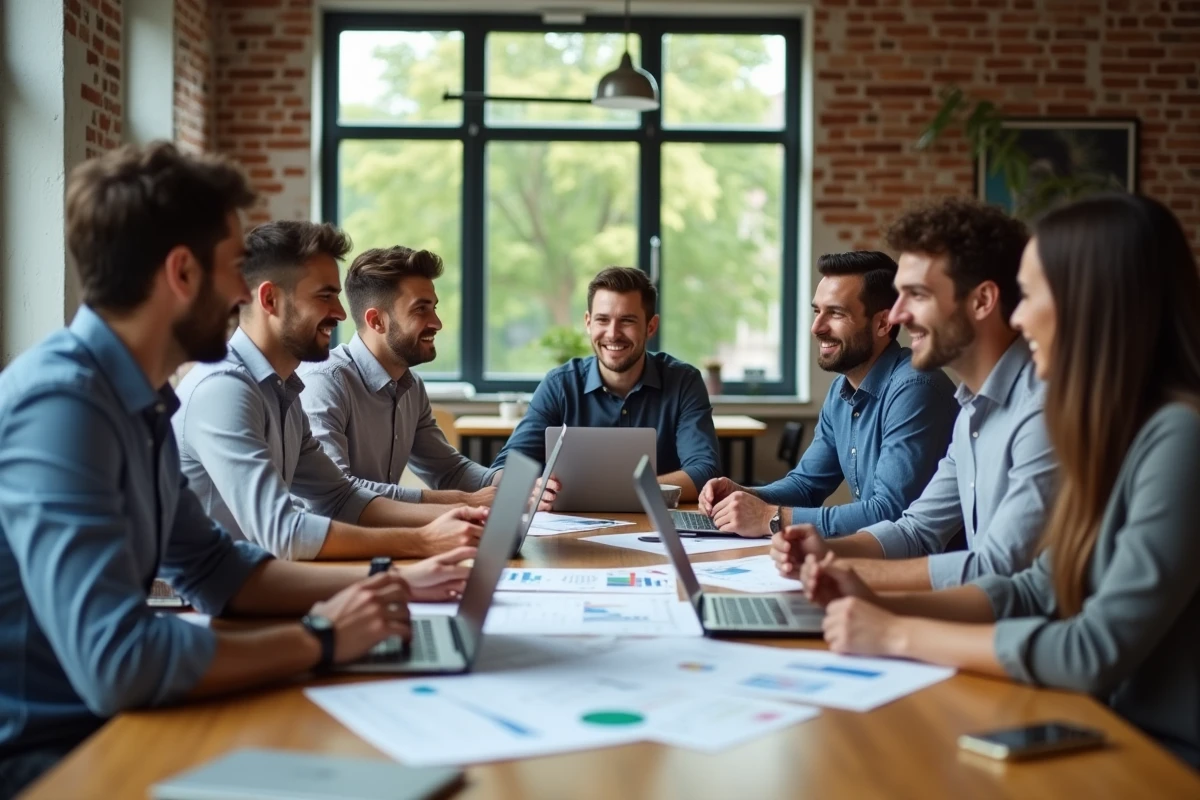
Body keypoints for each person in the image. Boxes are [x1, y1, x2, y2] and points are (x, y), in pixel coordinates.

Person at [0, 143, 471, 797]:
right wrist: (321, 639)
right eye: (232, 271)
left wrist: (386, 588)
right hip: (56, 757)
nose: (240, 293)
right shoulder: (64, 405)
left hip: (123, 721)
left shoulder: (141, 396)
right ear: (182, 274)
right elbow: (119, 661)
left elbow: (213, 567)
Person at [796, 194, 1200, 769]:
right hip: (1094, 725)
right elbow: (1036, 589)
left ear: (1097, 303)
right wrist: (875, 598)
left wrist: (896, 633)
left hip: (1159, 757)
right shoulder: (1114, 431)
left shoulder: (1179, 438)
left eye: (1032, 295)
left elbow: (1092, 650)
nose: (1017, 316)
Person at [772, 198, 1057, 590]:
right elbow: (917, 530)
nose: (898, 316)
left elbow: (998, 571)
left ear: (982, 301)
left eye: (917, 295)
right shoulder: (971, 407)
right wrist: (824, 551)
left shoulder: (1043, 410)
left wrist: (850, 577)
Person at [173, 221, 486, 561]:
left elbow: (339, 498)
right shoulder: (224, 389)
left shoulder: (284, 389)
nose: (339, 313)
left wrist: (466, 516)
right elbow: (285, 534)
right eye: (325, 296)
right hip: (207, 606)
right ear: (270, 299)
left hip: (261, 585)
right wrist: (424, 541)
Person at [698, 252, 957, 538]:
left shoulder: (915, 388)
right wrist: (744, 495)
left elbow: (890, 512)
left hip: (926, 573)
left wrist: (770, 518)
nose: (816, 328)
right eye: (816, 311)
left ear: (883, 323)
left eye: (836, 313)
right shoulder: (841, 391)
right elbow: (806, 485)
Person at [489, 266, 721, 504]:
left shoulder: (684, 382)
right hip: (571, 533)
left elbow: (704, 472)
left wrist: (618, 491)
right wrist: (531, 487)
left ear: (651, 326)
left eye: (627, 321)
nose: (613, 333)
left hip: (656, 531)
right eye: (602, 320)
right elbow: (504, 469)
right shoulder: (559, 385)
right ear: (588, 322)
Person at [299, 246, 496, 507]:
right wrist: (462, 500)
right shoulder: (325, 382)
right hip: (327, 544)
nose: (437, 322)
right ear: (377, 321)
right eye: (421, 310)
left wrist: (510, 485)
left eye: (434, 308)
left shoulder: (410, 385)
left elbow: (449, 470)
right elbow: (336, 493)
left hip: (380, 542)